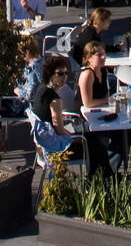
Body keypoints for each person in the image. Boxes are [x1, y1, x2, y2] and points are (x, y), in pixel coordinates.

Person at [76, 41, 121, 176]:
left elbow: (105, 95)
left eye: (104, 54)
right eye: (99, 54)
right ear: (89, 58)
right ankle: (106, 174)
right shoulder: (87, 75)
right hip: (85, 120)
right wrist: (109, 101)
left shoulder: (104, 72)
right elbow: (87, 103)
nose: (103, 57)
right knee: (116, 139)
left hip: (101, 114)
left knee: (122, 135)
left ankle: (108, 171)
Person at [30, 56, 81, 154]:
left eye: (66, 73)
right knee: (94, 145)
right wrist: (79, 139)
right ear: (50, 74)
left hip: (42, 143)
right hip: (54, 149)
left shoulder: (42, 88)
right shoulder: (55, 99)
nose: (64, 77)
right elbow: (60, 131)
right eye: (60, 74)